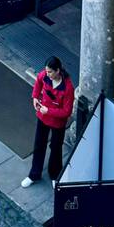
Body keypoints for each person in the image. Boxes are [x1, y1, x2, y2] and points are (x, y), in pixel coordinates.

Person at [21, 56, 75, 188]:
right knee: (39, 145)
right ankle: (34, 174)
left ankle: (55, 175)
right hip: (43, 118)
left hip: (57, 123)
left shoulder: (68, 88)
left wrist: (48, 111)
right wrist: (35, 96)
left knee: (56, 148)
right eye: (46, 71)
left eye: (50, 72)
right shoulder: (44, 75)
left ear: (58, 71)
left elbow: (66, 112)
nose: (47, 74)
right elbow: (38, 81)